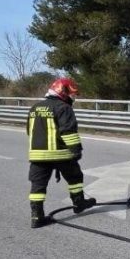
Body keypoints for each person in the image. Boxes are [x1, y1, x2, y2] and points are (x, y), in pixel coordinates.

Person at [27, 77, 96, 228]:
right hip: (61, 154)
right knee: (75, 177)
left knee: (38, 186)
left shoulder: (35, 108)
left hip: (37, 155)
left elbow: (29, 131)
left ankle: (37, 217)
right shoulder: (63, 108)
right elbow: (68, 131)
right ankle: (79, 203)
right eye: (71, 94)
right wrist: (76, 150)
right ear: (63, 92)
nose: (72, 98)